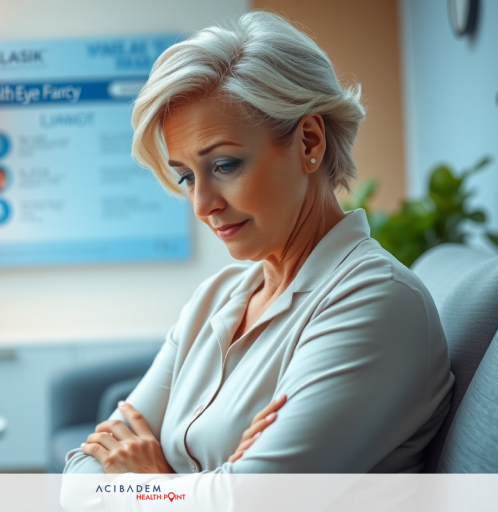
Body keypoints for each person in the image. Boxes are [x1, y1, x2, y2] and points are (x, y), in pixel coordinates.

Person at [63, 11, 454, 474]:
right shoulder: (216, 298)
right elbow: (81, 474)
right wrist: (213, 482)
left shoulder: (376, 302)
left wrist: (153, 479)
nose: (202, 204)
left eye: (225, 165)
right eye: (187, 176)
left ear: (309, 142)